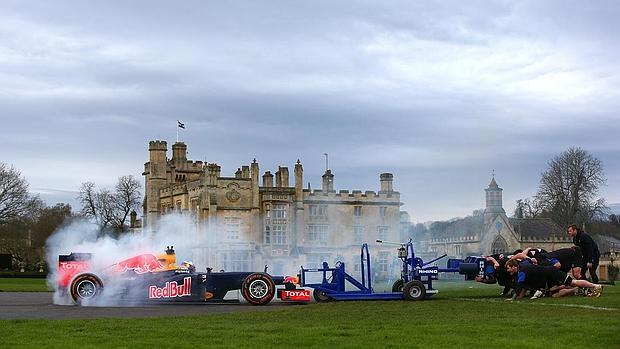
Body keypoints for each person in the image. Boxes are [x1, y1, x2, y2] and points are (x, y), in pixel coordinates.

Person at [505, 259, 602, 299]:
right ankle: (578, 290)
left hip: (551, 272)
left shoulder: (521, 271)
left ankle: (596, 286)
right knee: (554, 294)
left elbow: (520, 285)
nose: (508, 270)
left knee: (573, 282)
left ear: (513, 267)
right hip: (548, 277)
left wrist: (513, 298)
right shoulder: (522, 267)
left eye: (508, 268)